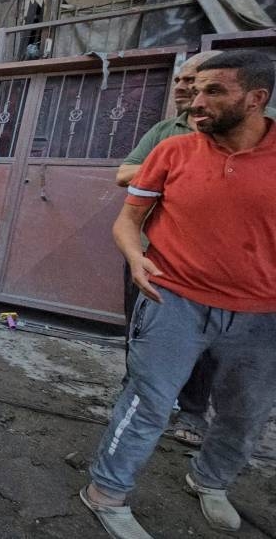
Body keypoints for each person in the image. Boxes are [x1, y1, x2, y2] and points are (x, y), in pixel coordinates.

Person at [81, 50, 276, 539]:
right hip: (173, 299)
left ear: (256, 99)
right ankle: (106, 491)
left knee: (244, 410)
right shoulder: (172, 150)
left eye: (214, 91)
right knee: (147, 401)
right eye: (195, 89)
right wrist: (134, 256)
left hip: (261, 313)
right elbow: (129, 220)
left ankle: (210, 481)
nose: (196, 102)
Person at [115, 51, 223, 449]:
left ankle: (193, 411)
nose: (182, 87)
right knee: (140, 327)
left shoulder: (254, 132)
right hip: (151, 252)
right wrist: (171, 170)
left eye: (191, 80)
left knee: (207, 341)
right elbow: (124, 173)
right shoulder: (166, 132)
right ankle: (136, 393)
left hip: (220, 263)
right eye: (179, 80)